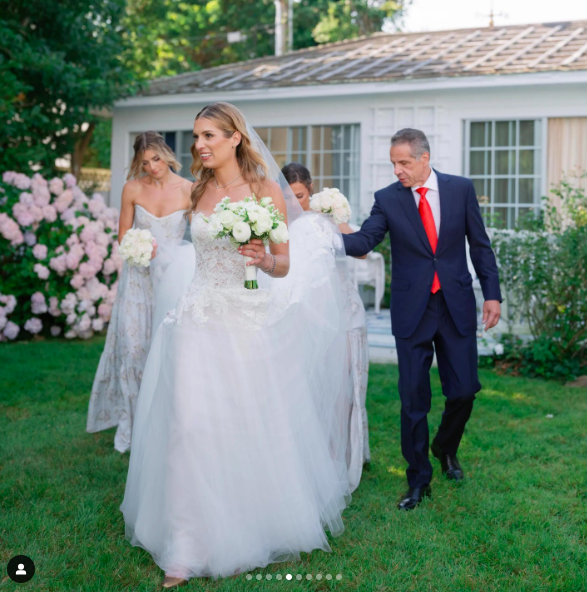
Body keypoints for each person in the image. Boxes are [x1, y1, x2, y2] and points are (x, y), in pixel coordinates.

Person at [120, 103, 351, 587]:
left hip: (245, 319)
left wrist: (263, 259)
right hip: (196, 317)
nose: (198, 145)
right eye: (196, 136)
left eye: (207, 135)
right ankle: (184, 545)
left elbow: (284, 264)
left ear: (234, 138)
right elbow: (157, 221)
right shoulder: (197, 188)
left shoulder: (266, 190)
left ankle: (245, 532)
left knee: (244, 424)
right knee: (189, 426)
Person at [342, 128, 501, 511]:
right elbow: (364, 241)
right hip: (413, 310)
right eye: (393, 163)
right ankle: (418, 480)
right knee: (414, 400)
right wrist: (320, 235)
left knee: (464, 390)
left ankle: (445, 447)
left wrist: (492, 294)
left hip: (455, 304)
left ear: (424, 158)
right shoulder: (388, 199)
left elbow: (479, 245)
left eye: (404, 163)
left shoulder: (460, 190)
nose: (397, 170)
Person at [86, 132, 192, 453]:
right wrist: (137, 247)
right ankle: (132, 426)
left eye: (156, 159)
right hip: (137, 279)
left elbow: (201, 235)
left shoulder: (189, 190)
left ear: (166, 155)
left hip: (172, 279)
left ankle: (166, 421)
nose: (152, 167)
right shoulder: (132, 188)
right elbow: (123, 236)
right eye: (145, 162)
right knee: (134, 349)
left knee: (167, 347)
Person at [282, 162, 371, 492]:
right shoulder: (278, 225)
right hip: (303, 317)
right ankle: (314, 456)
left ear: (311, 189)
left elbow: (361, 253)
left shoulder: (323, 221)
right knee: (310, 387)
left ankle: (346, 453)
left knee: (346, 388)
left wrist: (338, 220)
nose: (295, 204)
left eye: (300, 196)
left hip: (343, 314)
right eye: (288, 197)